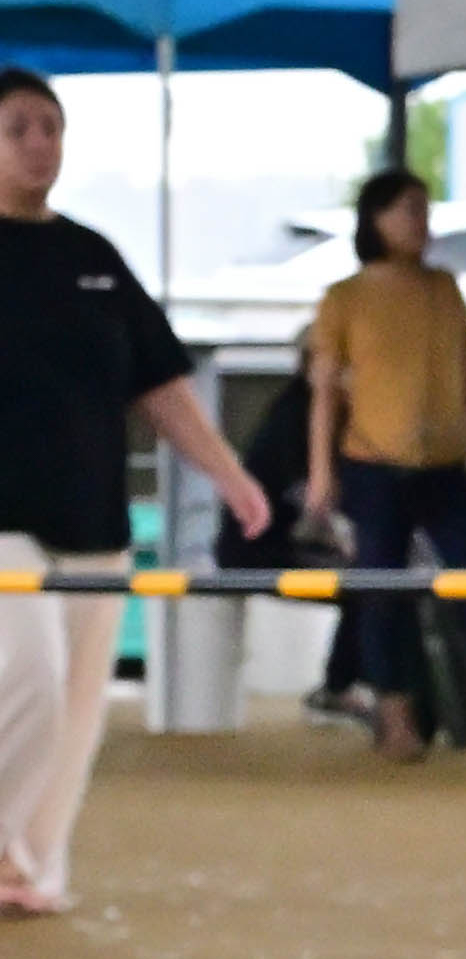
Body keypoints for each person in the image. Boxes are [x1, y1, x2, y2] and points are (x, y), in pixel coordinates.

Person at [0, 65, 269, 909]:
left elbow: (161, 386)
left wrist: (232, 477)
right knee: (29, 676)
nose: (39, 144)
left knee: (79, 707)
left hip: (92, 516)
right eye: (18, 129)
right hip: (4, 520)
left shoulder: (93, 257)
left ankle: (30, 868)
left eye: (51, 128)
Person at [302, 167, 466, 767]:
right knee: (382, 594)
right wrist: (322, 470)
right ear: (375, 219)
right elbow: (324, 392)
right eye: (408, 210)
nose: (421, 223)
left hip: (444, 465)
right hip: (372, 463)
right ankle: (396, 721)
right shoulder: (344, 297)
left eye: (424, 211)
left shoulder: (444, 289)